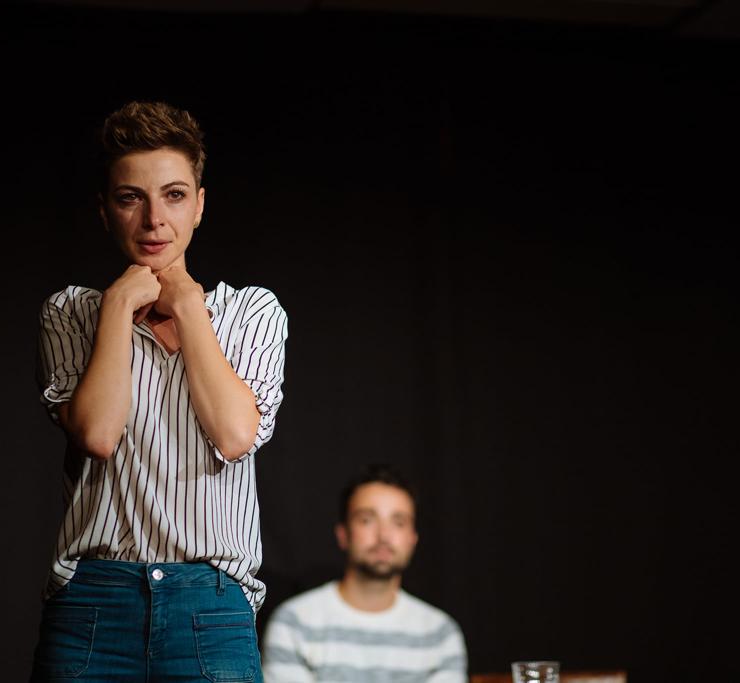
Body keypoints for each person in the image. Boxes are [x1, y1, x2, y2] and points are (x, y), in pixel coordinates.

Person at [32, 101, 288, 682]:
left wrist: (189, 304)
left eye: (174, 195)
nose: (154, 220)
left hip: (211, 607)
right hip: (93, 603)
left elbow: (234, 434)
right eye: (131, 198)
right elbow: (98, 434)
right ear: (105, 210)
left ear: (199, 205)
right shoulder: (72, 312)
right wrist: (117, 307)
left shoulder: (250, 311)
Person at [262, 464, 467, 682]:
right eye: (367, 520)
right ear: (343, 534)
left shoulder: (441, 634)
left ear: (413, 539)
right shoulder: (294, 624)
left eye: (399, 522)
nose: (384, 536)